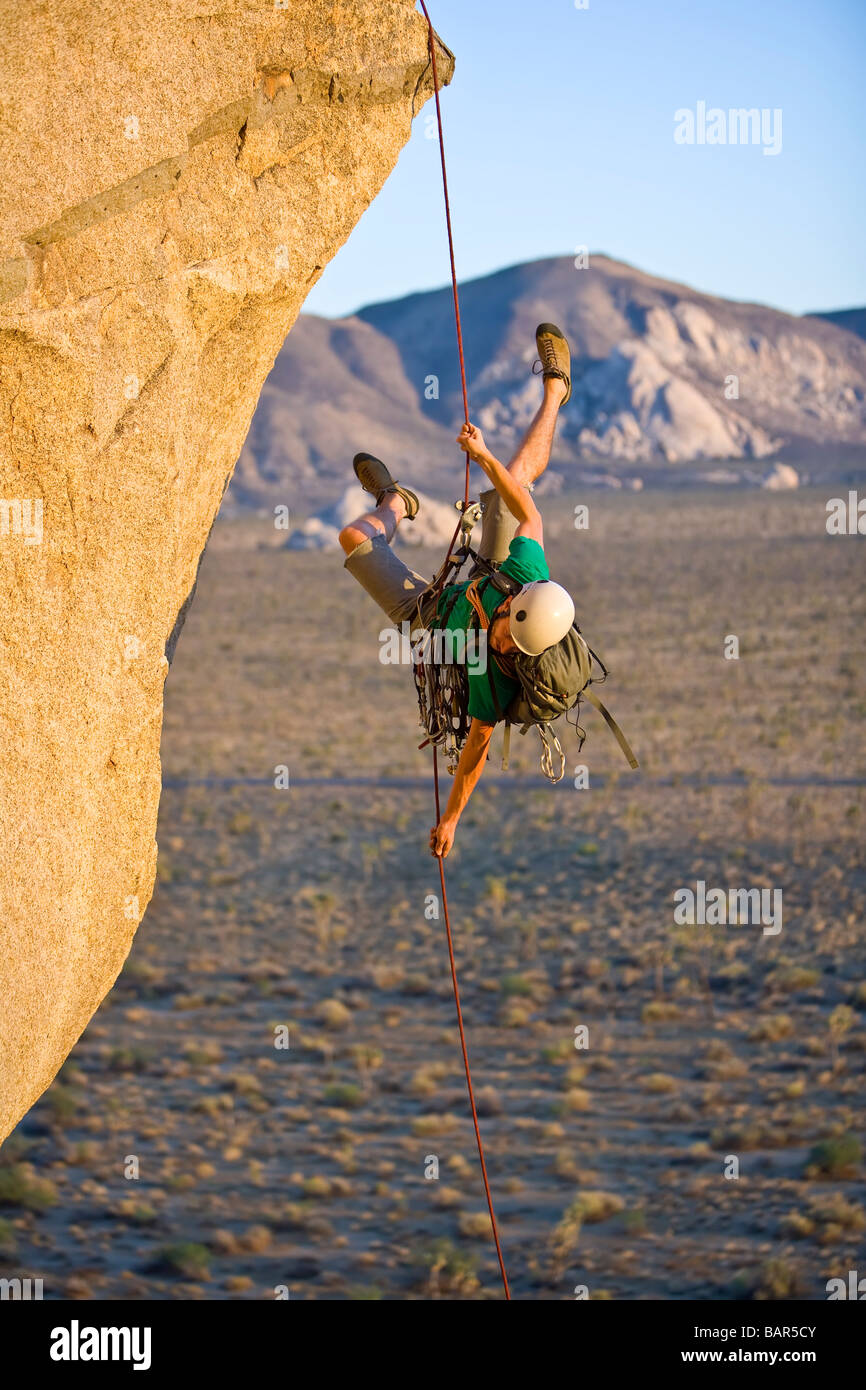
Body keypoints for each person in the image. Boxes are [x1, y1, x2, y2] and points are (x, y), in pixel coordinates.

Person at [339, 324, 576, 858]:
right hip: (476, 582)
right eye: (505, 633)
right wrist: (486, 457)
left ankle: (391, 501)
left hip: (432, 617)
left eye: (510, 649)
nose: (502, 645)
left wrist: (450, 820)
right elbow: (529, 513)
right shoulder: (523, 575)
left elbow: (474, 754)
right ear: (513, 606)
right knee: (513, 481)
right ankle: (556, 389)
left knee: (354, 538)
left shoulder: (496, 677)